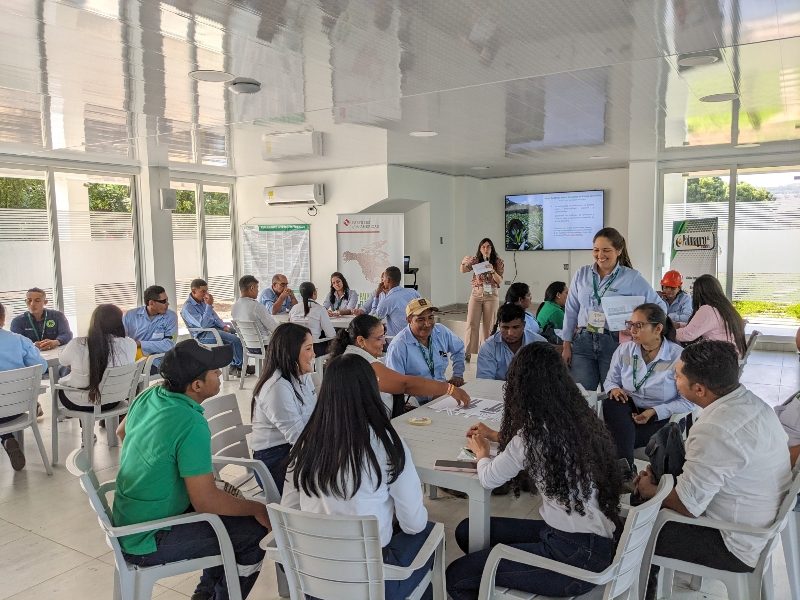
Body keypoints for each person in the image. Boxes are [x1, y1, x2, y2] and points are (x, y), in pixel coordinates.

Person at [446, 343, 621, 599]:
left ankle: (491, 580)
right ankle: (493, 577)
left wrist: (482, 451)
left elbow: (488, 478)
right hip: (597, 542)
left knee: (456, 577)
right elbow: (535, 447)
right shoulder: (580, 417)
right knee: (467, 530)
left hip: (572, 560)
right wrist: (496, 436)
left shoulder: (531, 436)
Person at [113, 340, 269, 600]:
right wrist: (257, 507)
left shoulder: (150, 394)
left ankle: (205, 594)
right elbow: (205, 501)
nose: (221, 374)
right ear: (196, 386)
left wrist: (158, 474)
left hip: (128, 519)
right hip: (148, 539)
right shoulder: (191, 423)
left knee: (227, 522)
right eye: (215, 371)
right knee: (252, 534)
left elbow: (122, 432)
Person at [634, 341, 791, 594]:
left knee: (635, 528)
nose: (674, 379)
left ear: (698, 389)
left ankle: (642, 591)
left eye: (677, 376)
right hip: (756, 525)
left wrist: (650, 490)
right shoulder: (753, 403)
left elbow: (685, 506)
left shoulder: (716, 429)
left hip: (732, 544)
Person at [282, 353, 435, 600]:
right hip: (372, 584)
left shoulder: (303, 446)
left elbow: (289, 510)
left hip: (313, 580)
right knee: (428, 533)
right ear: (372, 388)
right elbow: (413, 523)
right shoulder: (388, 445)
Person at [561, 227, 666, 391]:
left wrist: (637, 326)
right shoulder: (581, 275)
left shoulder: (631, 278)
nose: (600, 255)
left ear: (619, 250)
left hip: (614, 343)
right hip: (583, 342)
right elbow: (571, 310)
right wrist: (566, 344)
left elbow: (660, 307)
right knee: (581, 396)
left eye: (606, 250)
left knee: (613, 394)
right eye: (596, 250)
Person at [602, 303, 694, 469]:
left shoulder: (677, 356)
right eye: (630, 325)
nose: (632, 330)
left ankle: (623, 470)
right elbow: (610, 380)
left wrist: (655, 411)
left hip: (662, 416)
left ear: (658, 329)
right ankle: (626, 471)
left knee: (616, 437)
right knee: (611, 402)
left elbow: (688, 402)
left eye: (639, 325)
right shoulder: (625, 350)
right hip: (629, 410)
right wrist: (614, 388)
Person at [329, 314, 471, 415]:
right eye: (379, 338)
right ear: (361, 341)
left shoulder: (354, 355)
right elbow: (405, 384)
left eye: (383, 336)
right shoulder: (358, 361)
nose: (384, 342)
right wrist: (448, 388)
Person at [250, 323, 316, 495]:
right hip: (274, 460)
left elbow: (314, 416)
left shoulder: (301, 375)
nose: (314, 354)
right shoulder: (277, 387)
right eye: (308, 349)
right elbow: (300, 438)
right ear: (291, 352)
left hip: (292, 448)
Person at [57, 304, 137, 426]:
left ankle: (86, 433)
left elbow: (63, 361)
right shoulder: (130, 344)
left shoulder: (78, 344)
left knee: (68, 374)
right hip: (114, 400)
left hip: (81, 403)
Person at [385, 298, 465, 405]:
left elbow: (459, 349)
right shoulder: (399, 345)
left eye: (431, 318)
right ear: (409, 320)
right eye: (420, 319)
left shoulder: (440, 331)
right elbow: (396, 384)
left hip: (442, 395)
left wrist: (458, 375)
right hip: (414, 401)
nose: (427, 324)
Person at [0, 302, 49, 471]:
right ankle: (6, 437)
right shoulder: (20, 340)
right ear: (3, 319)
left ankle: (6, 438)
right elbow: (40, 368)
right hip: (18, 408)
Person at [181, 278, 245, 377]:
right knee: (235, 340)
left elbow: (215, 317)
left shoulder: (203, 302)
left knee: (237, 333)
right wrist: (209, 306)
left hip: (214, 329)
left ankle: (234, 366)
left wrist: (224, 326)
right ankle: (241, 367)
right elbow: (203, 325)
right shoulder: (188, 308)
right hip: (203, 334)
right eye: (203, 291)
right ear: (194, 291)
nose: (206, 294)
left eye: (206, 290)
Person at [675, 274, 746, 356]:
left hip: (718, 359)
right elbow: (703, 326)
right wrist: (679, 325)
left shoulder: (708, 309)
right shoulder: (725, 308)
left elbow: (688, 335)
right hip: (730, 355)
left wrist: (666, 331)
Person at [460, 238, 504, 361]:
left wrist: (492, 270)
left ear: (492, 248)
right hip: (477, 293)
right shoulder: (475, 260)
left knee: (488, 326)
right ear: (480, 249)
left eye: (488, 246)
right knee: (471, 324)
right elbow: (463, 270)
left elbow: (500, 280)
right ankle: (469, 353)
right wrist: (463, 262)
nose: (486, 249)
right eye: (483, 247)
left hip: (491, 295)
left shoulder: (498, 262)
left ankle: (486, 354)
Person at [478, 304, 546, 381]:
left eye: (515, 327)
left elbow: (546, 378)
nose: (510, 333)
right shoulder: (488, 347)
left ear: (524, 325)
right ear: (499, 325)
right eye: (505, 327)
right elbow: (484, 382)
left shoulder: (539, 343)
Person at [123, 285, 178, 363]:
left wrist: (140, 344)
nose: (167, 304)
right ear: (151, 303)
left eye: (167, 300)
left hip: (158, 362)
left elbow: (169, 344)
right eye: (163, 301)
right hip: (133, 360)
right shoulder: (130, 315)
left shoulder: (171, 317)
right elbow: (120, 338)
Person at [370, 266, 421, 337]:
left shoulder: (387, 300)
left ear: (388, 280)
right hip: (416, 336)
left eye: (383, 278)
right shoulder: (414, 292)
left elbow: (372, 320)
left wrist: (377, 296)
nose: (382, 281)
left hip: (397, 340)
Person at [288, 281, 336, 356]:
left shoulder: (294, 308)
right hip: (313, 348)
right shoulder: (320, 309)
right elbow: (331, 334)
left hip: (295, 347)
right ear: (314, 292)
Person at [230, 275, 278, 341]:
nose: (258, 291)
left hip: (246, 345)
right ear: (252, 288)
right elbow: (274, 328)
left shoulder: (234, 307)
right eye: (257, 288)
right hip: (265, 346)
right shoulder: (256, 306)